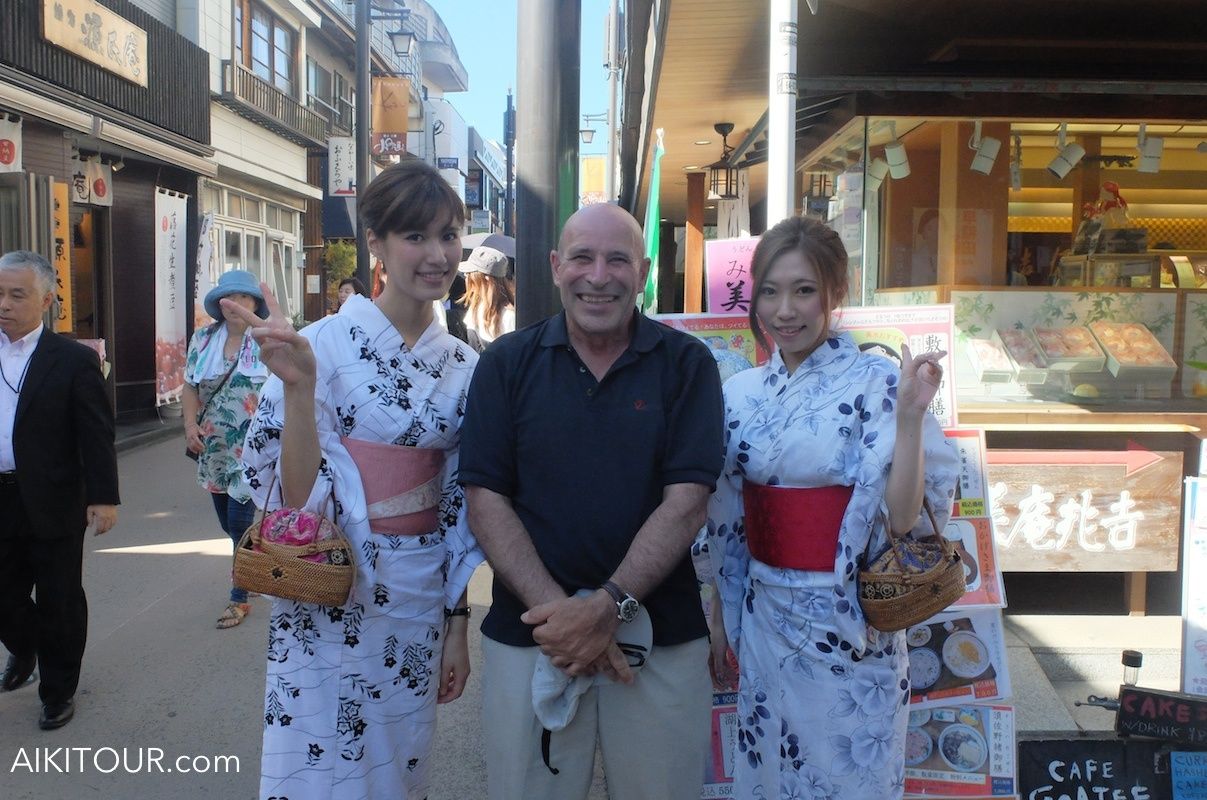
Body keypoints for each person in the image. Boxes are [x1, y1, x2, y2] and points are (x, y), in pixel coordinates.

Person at [235, 157, 482, 800]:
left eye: (449, 235)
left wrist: (457, 624)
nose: (437, 254)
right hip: (325, 584)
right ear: (376, 242)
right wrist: (299, 391)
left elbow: (461, 505)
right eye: (416, 236)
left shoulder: (465, 365)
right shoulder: (319, 344)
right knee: (316, 764)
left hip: (417, 591)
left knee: (398, 761)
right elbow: (292, 502)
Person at [459, 203, 724, 800]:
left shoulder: (687, 365)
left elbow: (687, 502)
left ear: (643, 272)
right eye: (582, 257)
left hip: (663, 635)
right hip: (533, 633)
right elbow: (485, 499)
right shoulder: (506, 364)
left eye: (617, 260)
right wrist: (565, 620)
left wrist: (607, 608)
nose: (598, 276)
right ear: (556, 266)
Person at [705, 216, 959, 798]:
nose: (784, 311)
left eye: (803, 290)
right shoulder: (739, 393)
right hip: (765, 614)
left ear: (835, 292)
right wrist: (719, 614)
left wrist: (910, 417)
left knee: (848, 773)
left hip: (848, 623)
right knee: (769, 773)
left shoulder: (878, 382)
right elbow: (726, 520)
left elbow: (904, 521)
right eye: (770, 291)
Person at [0, 250, 119, 730]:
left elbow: (96, 434)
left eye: (17, 295)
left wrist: (103, 497)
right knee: (5, 597)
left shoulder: (72, 360)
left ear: (47, 301)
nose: (4, 304)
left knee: (59, 598)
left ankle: (57, 691)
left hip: (53, 498)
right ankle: (27, 647)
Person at [182, 269, 270, 629]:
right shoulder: (203, 339)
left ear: (255, 304)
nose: (236, 304)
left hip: (254, 448)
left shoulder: (266, 340)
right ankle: (254, 564)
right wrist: (189, 425)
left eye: (244, 297)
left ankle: (239, 596)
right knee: (227, 523)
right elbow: (190, 386)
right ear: (220, 304)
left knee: (239, 521)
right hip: (213, 447)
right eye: (229, 298)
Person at [457, 245, 515, 351]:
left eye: (469, 273)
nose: (466, 277)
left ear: (486, 280)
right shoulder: (476, 306)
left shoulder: (509, 316)